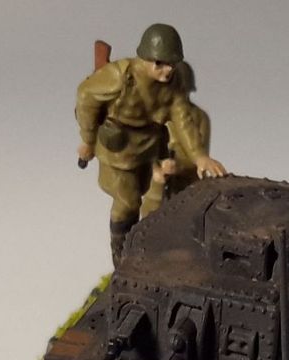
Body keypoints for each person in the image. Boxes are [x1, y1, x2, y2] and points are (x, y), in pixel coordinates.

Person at [76, 24, 226, 265]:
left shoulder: (173, 83)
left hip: (148, 147)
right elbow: (86, 96)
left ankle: (136, 248)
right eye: (159, 63)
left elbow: (182, 118)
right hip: (119, 148)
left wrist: (199, 156)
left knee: (142, 196)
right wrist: (87, 139)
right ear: (145, 58)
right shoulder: (121, 75)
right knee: (127, 202)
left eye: (172, 64)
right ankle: (122, 258)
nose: (167, 70)